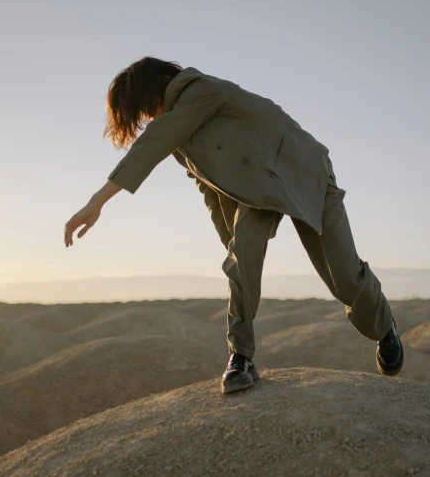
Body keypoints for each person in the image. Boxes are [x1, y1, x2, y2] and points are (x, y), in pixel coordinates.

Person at [63, 57, 404, 394]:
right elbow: (208, 186)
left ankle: (383, 326)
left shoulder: (200, 89)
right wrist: (233, 241)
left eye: (149, 103)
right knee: (241, 258)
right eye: (144, 111)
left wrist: (98, 200)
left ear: (165, 81)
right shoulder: (180, 136)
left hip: (302, 170)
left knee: (343, 274)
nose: (151, 114)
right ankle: (240, 357)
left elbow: (154, 140)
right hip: (256, 192)